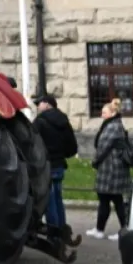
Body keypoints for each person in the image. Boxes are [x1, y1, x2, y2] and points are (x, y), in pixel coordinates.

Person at [33, 94, 78, 236]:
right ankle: (62, 227)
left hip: (47, 166)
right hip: (59, 165)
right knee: (58, 198)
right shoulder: (64, 121)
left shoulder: (40, 122)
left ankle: (54, 232)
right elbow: (72, 146)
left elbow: (32, 144)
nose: (38, 107)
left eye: (39, 103)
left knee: (49, 201)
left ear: (47, 104)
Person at [90, 98, 132, 240]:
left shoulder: (113, 126)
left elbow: (103, 147)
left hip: (112, 168)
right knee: (107, 199)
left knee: (115, 200)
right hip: (111, 167)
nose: (102, 115)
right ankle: (100, 229)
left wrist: (95, 161)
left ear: (113, 113)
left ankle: (123, 231)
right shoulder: (112, 124)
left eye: (104, 112)